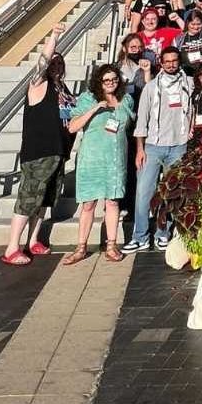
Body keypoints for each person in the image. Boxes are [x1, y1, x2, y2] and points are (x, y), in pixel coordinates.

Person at [2, 23, 70, 265]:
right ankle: (12, 247)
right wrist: (54, 37)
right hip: (38, 152)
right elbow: (41, 63)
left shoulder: (63, 89)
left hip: (58, 152)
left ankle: (33, 240)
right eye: (54, 62)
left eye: (60, 63)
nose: (56, 66)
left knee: (45, 199)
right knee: (28, 198)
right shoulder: (38, 84)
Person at [122, 48, 194, 253]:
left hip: (178, 146)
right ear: (160, 63)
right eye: (167, 61)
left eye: (174, 61)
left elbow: (192, 109)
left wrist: (189, 128)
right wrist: (140, 149)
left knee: (170, 193)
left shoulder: (188, 84)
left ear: (179, 62)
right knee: (144, 193)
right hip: (153, 146)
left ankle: (163, 232)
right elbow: (142, 120)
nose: (171, 64)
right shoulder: (151, 87)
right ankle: (140, 236)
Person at [63, 64, 135, 265]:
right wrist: (96, 108)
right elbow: (73, 126)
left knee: (112, 202)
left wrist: (121, 108)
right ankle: (81, 247)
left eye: (114, 79)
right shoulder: (88, 98)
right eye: (106, 80)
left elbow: (129, 123)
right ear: (99, 82)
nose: (111, 83)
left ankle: (111, 245)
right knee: (88, 204)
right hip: (92, 159)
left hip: (115, 158)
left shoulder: (126, 99)